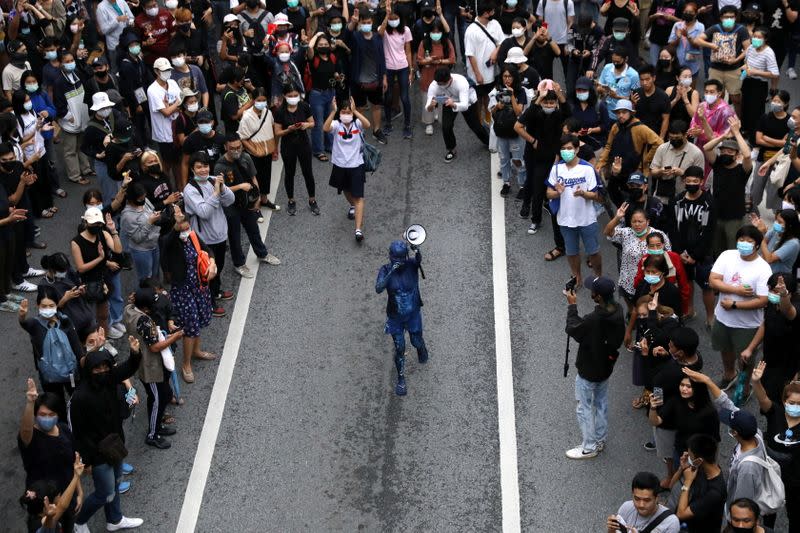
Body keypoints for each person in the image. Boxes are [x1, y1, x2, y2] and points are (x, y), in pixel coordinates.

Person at [683, 367, 782, 524]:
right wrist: (708, 381)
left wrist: (731, 521)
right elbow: (727, 404)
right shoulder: (754, 432)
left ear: (735, 433)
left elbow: (743, 502)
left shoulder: (747, 468)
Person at [69, 339, 144, 533]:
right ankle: (79, 521)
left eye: (105, 367)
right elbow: (79, 433)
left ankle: (115, 519)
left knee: (116, 482)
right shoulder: (80, 397)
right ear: (89, 371)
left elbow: (128, 368)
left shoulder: (110, 380)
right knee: (104, 492)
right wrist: (88, 462)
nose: (102, 371)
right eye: (97, 368)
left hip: (115, 444)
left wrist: (135, 353)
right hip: (97, 454)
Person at [564, 276, 625, 459]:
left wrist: (572, 306)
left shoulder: (594, 319)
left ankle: (589, 447)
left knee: (583, 407)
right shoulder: (618, 310)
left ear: (596, 296)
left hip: (589, 368)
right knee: (601, 404)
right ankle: (600, 439)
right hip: (606, 366)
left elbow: (573, 328)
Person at [709, 225, 772, 395]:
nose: (744, 244)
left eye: (749, 241)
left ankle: (744, 388)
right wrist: (736, 291)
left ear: (757, 245)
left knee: (746, 359)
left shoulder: (763, 268)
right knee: (725, 348)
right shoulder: (727, 256)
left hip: (747, 325)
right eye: (741, 240)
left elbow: (763, 300)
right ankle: (729, 375)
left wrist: (735, 305)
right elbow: (713, 280)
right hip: (722, 318)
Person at [160, 206, 215, 383]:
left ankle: (197, 351)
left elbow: (207, 249)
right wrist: (176, 227)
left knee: (199, 319)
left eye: (186, 224)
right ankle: (186, 364)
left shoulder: (192, 235)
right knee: (190, 326)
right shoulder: (168, 241)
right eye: (181, 226)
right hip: (183, 290)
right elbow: (167, 240)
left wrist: (212, 264)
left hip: (199, 286)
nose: (186, 229)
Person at [214, 133, 281, 278]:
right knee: (234, 236)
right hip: (231, 206)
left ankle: (262, 254)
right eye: (232, 148)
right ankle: (239, 264)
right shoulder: (220, 166)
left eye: (239, 147)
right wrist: (239, 187)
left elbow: (253, 178)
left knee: (253, 229)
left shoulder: (246, 158)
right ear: (226, 147)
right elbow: (218, 190)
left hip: (247, 203)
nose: (236, 150)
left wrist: (256, 199)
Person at [123, 287, 180, 449]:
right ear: (146, 308)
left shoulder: (129, 310)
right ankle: (153, 434)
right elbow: (155, 347)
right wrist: (174, 337)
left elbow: (130, 302)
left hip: (142, 361)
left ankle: (158, 425)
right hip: (150, 367)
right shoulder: (145, 321)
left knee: (163, 394)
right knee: (158, 399)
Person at [182, 151, 235, 318]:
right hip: (204, 239)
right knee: (206, 271)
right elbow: (204, 212)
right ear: (192, 169)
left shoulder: (213, 180)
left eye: (205, 166)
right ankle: (209, 303)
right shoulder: (190, 190)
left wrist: (223, 188)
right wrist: (216, 193)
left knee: (218, 266)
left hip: (220, 233)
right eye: (199, 167)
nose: (203, 170)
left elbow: (230, 200)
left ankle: (216, 291)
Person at [514, 82, 570, 235]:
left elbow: (568, 112)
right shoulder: (535, 113)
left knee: (560, 188)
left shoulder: (558, 115)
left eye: (552, 103)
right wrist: (539, 100)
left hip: (556, 159)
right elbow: (519, 124)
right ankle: (535, 220)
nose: (549, 105)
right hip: (538, 159)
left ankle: (563, 218)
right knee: (537, 189)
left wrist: (559, 94)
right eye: (547, 102)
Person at [545, 134, 603, 284]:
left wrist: (583, 194)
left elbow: (596, 195)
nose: (566, 151)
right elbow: (548, 192)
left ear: (577, 149)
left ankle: (598, 276)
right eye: (563, 149)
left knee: (593, 252)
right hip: (565, 219)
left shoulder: (587, 169)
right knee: (571, 252)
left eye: (569, 148)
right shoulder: (556, 169)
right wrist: (557, 192)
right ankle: (576, 277)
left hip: (587, 219)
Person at [18, 287, 82, 419]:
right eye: (44, 306)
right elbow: (24, 323)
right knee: (56, 403)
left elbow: (77, 347)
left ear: (56, 304)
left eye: (51, 305)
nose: (48, 309)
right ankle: (63, 424)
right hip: (49, 378)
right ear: (38, 306)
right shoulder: (34, 324)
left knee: (76, 399)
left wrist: (84, 363)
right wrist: (22, 316)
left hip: (70, 372)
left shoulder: (65, 321)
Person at [375, 240, 429, 396]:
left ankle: (421, 348)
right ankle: (401, 379)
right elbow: (378, 288)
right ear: (390, 257)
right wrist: (391, 271)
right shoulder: (385, 270)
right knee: (400, 348)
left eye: (401, 259)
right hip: (395, 317)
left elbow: (418, 260)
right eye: (395, 259)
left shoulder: (411, 265)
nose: (398, 262)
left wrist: (416, 250)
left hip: (412, 314)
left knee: (416, 340)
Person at [752, 361, 800, 531]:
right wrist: (756, 382)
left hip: (795, 481)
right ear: (784, 401)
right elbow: (763, 398)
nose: (795, 407)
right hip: (771, 475)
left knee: (794, 515)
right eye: (791, 403)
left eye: (799, 404)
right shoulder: (776, 413)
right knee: (767, 511)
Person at [742, 274, 800, 404]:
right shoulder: (772, 304)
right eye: (769, 289)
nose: (770, 294)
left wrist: (783, 295)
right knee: (766, 393)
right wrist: (750, 348)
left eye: (774, 291)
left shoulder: (795, 307)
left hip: (788, 366)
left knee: (783, 400)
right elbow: (765, 324)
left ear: (790, 293)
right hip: (769, 361)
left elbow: (789, 312)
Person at [670, 166, 716, 326]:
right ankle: (690, 310)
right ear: (683, 181)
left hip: (703, 253)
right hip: (682, 252)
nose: (691, 183)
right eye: (688, 181)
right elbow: (673, 229)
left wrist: (696, 256)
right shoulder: (677, 200)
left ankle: (710, 317)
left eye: (695, 181)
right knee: (687, 282)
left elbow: (709, 231)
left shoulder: (709, 202)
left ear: (701, 182)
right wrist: (679, 252)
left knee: (707, 286)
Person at [596, 100, 661, 209]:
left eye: (624, 112)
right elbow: (608, 146)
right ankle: (622, 216)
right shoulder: (615, 127)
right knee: (612, 191)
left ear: (631, 113)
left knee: (636, 200)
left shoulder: (640, 128)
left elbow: (658, 143)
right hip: (617, 170)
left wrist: (646, 160)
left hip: (635, 171)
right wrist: (600, 163)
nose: (621, 115)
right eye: (618, 113)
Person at [70, 207, 124, 339]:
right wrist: (100, 258)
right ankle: (90, 342)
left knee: (103, 315)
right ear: (86, 222)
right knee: (88, 317)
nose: (97, 226)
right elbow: (81, 268)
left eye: (99, 223)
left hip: (103, 279)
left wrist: (113, 231)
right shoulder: (76, 242)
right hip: (87, 282)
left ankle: (104, 340)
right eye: (94, 223)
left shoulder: (103, 234)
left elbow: (118, 250)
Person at [605, 204, 671, 309]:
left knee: (646, 310)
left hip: (650, 281)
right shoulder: (626, 233)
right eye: (634, 222)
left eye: (640, 221)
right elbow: (608, 232)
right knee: (632, 309)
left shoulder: (659, 236)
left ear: (648, 222)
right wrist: (617, 217)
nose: (637, 224)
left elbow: (668, 257)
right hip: (628, 281)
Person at [324, 98, 372, 242]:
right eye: (343, 112)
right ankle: (352, 205)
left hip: (356, 164)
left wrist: (356, 110)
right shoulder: (336, 125)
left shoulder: (357, 123)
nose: (346, 114)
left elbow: (368, 124)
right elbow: (325, 128)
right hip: (340, 164)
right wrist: (333, 111)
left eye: (348, 112)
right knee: (345, 189)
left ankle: (358, 230)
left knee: (358, 197)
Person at [703, 117, 753, 255]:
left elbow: (748, 155)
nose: (726, 153)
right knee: (717, 252)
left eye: (730, 152)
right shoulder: (718, 164)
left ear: (737, 155)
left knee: (733, 251)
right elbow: (706, 148)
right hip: (717, 216)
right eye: (723, 151)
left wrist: (736, 133)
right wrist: (724, 136)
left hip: (735, 218)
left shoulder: (742, 170)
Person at [694, 5, 751, 117]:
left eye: (731, 17)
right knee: (716, 97)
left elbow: (748, 49)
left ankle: (738, 121)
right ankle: (716, 119)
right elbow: (697, 40)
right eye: (726, 17)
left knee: (736, 98)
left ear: (736, 17)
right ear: (721, 18)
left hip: (734, 70)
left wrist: (736, 60)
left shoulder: (741, 30)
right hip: (715, 69)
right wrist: (710, 44)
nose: (729, 19)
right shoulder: (715, 28)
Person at [648, 375, 720, 462]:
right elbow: (656, 422)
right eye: (682, 385)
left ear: (698, 389)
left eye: (689, 386)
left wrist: (710, 461)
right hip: (680, 451)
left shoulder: (710, 412)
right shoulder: (675, 401)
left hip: (699, 455)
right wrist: (653, 408)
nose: (684, 389)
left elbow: (715, 439)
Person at [426, 67, 489, 163]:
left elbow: (464, 106)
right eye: (438, 84)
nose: (440, 86)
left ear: (449, 79)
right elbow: (428, 106)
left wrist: (454, 104)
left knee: (475, 126)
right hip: (448, 100)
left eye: (442, 84)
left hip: (468, 100)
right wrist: (431, 106)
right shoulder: (434, 85)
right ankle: (451, 149)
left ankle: (488, 142)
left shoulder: (461, 82)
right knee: (446, 126)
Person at [273, 85, 319, 217]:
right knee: (289, 173)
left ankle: (312, 199)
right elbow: (277, 132)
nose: (293, 98)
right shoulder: (280, 112)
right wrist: (289, 129)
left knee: (308, 173)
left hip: (304, 145)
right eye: (290, 96)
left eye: (295, 96)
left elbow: (313, 123)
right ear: (284, 96)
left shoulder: (304, 106)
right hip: (288, 147)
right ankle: (291, 200)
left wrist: (306, 125)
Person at [668, 434, 727, 533]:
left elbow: (681, 514)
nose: (687, 456)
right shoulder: (699, 468)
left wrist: (687, 482)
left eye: (690, 455)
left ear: (699, 460)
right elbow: (671, 486)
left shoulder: (715, 492)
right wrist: (681, 468)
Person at [53, 50, 92, 186]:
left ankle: (86, 169)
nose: (70, 64)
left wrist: (81, 62)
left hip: (82, 117)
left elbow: (89, 74)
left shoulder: (77, 74)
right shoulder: (59, 82)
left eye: (72, 60)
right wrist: (69, 117)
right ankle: (75, 175)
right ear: (60, 64)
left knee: (82, 146)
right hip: (70, 121)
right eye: (67, 61)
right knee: (70, 150)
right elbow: (59, 103)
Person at [349, 9, 388, 145]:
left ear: (372, 23)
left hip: (375, 80)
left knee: (376, 106)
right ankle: (359, 132)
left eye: (369, 22)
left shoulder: (377, 37)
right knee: (359, 107)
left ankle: (377, 130)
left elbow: (382, 59)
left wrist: (384, 77)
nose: (366, 24)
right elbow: (347, 32)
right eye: (364, 22)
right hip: (358, 81)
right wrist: (352, 23)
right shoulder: (355, 37)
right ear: (360, 23)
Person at [19, 452, 84, 533]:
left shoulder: (37, 514)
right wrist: (76, 476)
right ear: (48, 505)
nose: (61, 497)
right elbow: (62, 506)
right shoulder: (41, 527)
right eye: (59, 496)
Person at [464, 1, 504, 123]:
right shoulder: (471, 31)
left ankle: (488, 118)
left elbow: (501, 42)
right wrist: (477, 74)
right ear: (486, 13)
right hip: (477, 73)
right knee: (478, 98)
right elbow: (470, 54)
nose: (494, 12)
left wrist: (495, 52)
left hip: (491, 71)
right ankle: (479, 121)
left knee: (489, 95)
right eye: (492, 11)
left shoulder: (495, 24)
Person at [378, 2, 413, 139]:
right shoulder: (384, 29)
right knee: (388, 97)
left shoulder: (406, 30)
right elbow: (380, 32)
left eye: (394, 18)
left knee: (405, 97)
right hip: (388, 68)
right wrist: (387, 15)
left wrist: (411, 69)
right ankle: (387, 123)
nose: (393, 21)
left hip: (403, 67)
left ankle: (407, 125)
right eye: (390, 19)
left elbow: (408, 51)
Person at [751, 90, 791, 211]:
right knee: (757, 185)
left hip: (780, 160)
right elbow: (758, 140)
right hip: (763, 158)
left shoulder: (790, 122)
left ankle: (777, 213)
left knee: (776, 187)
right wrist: (779, 143)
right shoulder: (765, 117)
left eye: (778, 101)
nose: (775, 103)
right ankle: (752, 208)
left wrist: (767, 138)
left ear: (785, 103)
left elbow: (787, 144)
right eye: (773, 100)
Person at [490, 66, 527, 198]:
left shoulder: (521, 92)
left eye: (509, 76)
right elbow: (492, 111)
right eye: (504, 76)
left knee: (518, 159)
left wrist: (511, 96)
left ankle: (522, 185)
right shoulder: (497, 91)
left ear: (514, 77)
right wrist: (497, 106)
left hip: (516, 131)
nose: (507, 79)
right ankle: (506, 183)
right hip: (501, 130)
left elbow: (518, 112)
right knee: (504, 158)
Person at [417, 20, 456, 136]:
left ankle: (439, 116)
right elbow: (419, 60)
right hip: (428, 76)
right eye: (433, 32)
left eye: (438, 32)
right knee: (427, 99)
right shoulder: (424, 43)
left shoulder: (447, 43)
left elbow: (452, 59)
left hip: (442, 78)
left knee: (441, 98)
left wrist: (440, 61)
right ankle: (428, 123)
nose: (436, 34)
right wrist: (428, 60)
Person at [649, 120, 705, 204]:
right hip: (662, 198)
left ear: (685, 135)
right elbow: (652, 171)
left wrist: (682, 174)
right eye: (671, 138)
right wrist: (661, 171)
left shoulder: (696, 153)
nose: (674, 140)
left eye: (677, 138)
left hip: (685, 200)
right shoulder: (662, 148)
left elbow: (699, 180)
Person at [606, 472, 680, 532]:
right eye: (637, 499)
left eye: (647, 500)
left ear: (657, 498)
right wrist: (611, 530)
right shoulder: (626, 507)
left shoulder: (671, 523)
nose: (641, 505)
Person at [148, 57, 183, 182]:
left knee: (178, 164)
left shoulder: (172, 83)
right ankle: (165, 188)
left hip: (177, 129)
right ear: (156, 71)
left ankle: (180, 191)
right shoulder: (152, 90)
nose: (167, 72)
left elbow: (181, 100)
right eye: (164, 70)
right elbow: (166, 112)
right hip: (164, 135)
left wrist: (172, 105)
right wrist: (176, 105)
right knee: (167, 165)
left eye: (168, 70)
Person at [741, 28, 779, 137]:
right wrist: (745, 69)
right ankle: (745, 130)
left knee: (756, 111)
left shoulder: (769, 52)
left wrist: (756, 72)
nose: (756, 39)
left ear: (765, 39)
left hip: (759, 85)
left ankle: (755, 135)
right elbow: (746, 62)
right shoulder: (751, 48)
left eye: (759, 37)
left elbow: (775, 74)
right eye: (754, 37)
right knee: (746, 107)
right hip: (747, 81)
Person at [120, 183, 161, 281]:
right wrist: (150, 222)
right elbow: (137, 238)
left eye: (144, 197)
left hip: (154, 243)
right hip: (142, 250)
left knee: (154, 274)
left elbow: (152, 210)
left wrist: (155, 215)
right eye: (140, 199)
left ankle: (154, 293)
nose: (143, 200)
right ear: (132, 198)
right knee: (145, 278)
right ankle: (144, 296)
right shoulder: (127, 216)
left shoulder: (145, 201)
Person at [180, 110, 225, 189]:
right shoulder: (191, 140)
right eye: (201, 122)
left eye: (206, 122)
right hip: (197, 179)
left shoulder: (220, 138)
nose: (204, 124)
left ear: (213, 122)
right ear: (197, 124)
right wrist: (184, 186)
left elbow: (226, 159)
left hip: (215, 178)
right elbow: (185, 163)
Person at [688, 78, 735, 150]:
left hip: (716, 148)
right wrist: (694, 129)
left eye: (712, 92)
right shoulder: (702, 105)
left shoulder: (726, 112)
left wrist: (702, 133)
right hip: (699, 145)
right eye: (706, 92)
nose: (708, 94)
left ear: (719, 93)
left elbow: (723, 136)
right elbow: (694, 120)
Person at [666, 2, 705, 80]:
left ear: (695, 14)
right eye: (686, 12)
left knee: (691, 89)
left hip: (692, 64)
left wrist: (687, 36)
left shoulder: (700, 27)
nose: (687, 14)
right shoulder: (677, 25)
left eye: (690, 12)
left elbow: (698, 45)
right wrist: (678, 37)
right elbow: (670, 45)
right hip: (678, 63)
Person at [632, 63, 670, 140]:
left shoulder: (663, 96)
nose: (644, 83)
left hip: (655, 135)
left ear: (654, 78)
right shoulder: (636, 93)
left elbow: (665, 119)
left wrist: (661, 138)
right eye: (642, 80)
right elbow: (632, 115)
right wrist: (633, 104)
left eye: (647, 79)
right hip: (639, 134)